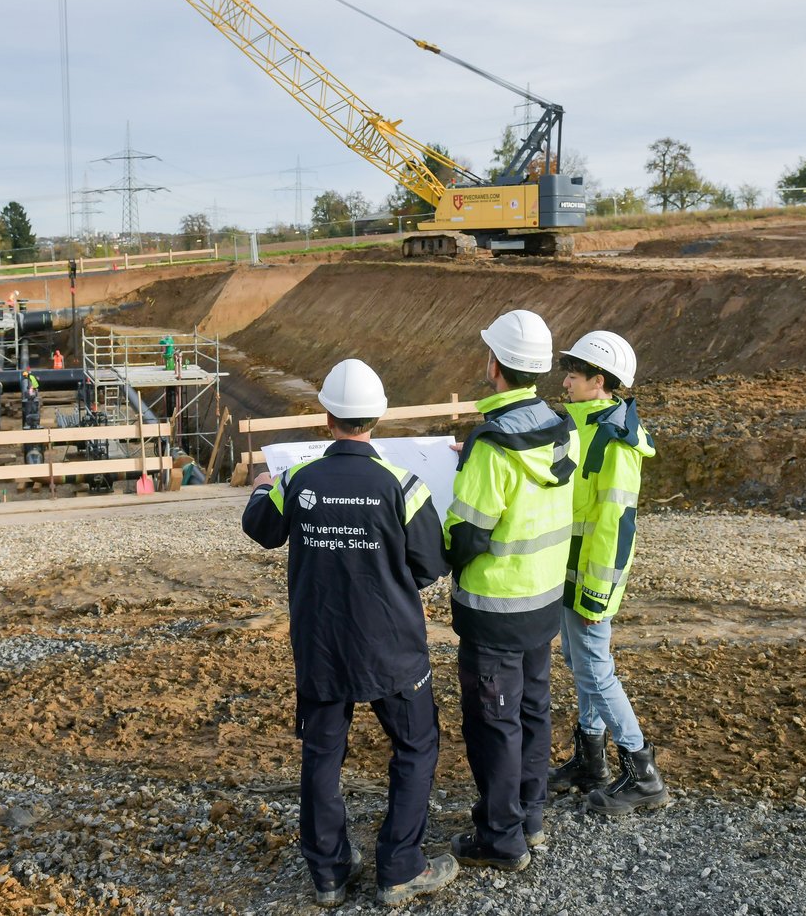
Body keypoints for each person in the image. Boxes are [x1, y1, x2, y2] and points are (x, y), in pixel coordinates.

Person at [242, 358, 459, 909]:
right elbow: (431, 563)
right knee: (415, 746)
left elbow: (260, 529)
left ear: (328, 417)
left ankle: (330, 873)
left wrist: (260, 487)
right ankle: (400, 866)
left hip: (321, 646)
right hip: (392, 647)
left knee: (321, 753)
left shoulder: (298, 480)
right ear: (377, 418)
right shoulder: (403, 485)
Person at [443, 310, 576, 872]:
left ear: (493, 364)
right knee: (532, 709)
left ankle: (502, 838)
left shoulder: (491, 445)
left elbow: (466, 536)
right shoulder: (559, 425)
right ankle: (532, 815)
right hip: (542, 601)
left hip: (494, 610)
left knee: (494, 722)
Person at [548, 330, 670, 815]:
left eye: (574, 375)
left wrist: (598, 595)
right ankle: (591, 761)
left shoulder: (615, 440)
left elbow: (616, 524)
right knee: (581, 667)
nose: (566, 381)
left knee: (597, 672)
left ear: (598, 381)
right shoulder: (581, 423)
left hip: (590, 581)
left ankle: (644, 773)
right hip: (569, 571)